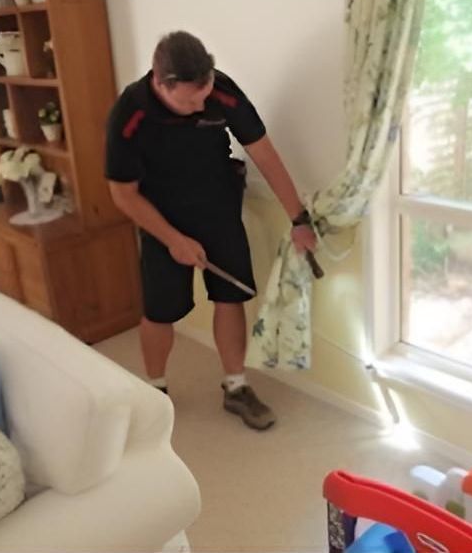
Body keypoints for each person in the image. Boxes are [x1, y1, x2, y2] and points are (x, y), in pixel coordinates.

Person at [105, 31, 316, 430]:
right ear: (160, 81)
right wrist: (173, 240)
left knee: (230, 295)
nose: (201, 105)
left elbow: (265, 155)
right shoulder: (129, 114)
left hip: (218, 208)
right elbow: (123, 194)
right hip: (158, 216)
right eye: (189, 100)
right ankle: (156, 391)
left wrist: (299, 219)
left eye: (204, 95)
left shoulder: (221, 92)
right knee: (159, 311)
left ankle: (236, 387)